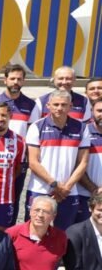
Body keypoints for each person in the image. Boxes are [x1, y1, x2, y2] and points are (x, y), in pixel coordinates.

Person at [0, 64, 35, 221]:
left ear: (23, 81)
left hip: (18, 162)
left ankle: (8, 233)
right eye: (12, 78)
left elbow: (32, 135)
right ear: (5, 80)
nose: (15, 82)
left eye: (19, 79)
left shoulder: (31, 105)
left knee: (13, 199)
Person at [26, 90, 89, 229]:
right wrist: (55, 185)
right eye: (56, 104)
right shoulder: (36, 127)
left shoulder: (82, 128)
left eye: (63, 105)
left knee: (65, 234)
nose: (59, 108)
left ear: (70, 106)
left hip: (69, 191)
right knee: (35, 231)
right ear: (48, 105)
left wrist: (66, 188)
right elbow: (33, 162)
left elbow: (83, 162)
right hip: (40, 189)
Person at [77, 98, 102, 223]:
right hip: (85, 195)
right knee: (86, 234)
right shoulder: (82, 132)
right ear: (92, 111)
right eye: (99, 111)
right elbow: (76, 165)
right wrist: (94, 189)